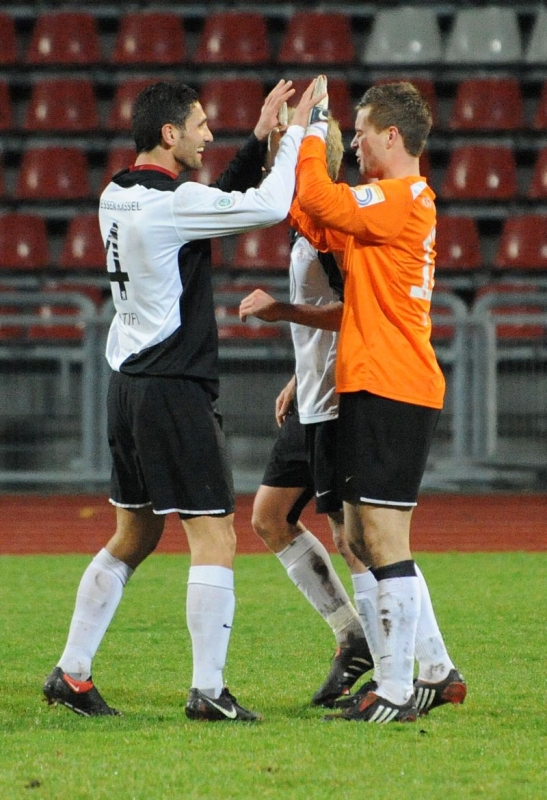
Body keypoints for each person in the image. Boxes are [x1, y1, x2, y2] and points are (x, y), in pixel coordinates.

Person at [42, 78, 320, 722]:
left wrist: (255, 140)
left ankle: (72, 672)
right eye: (199, 125)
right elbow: (268, 207)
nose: (207, 134)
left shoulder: (117, 193)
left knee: (134, 533)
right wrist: (297, 130)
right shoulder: (172, 205)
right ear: (170, 135)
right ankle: (208, 690)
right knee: (215, 536)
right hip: (174, 387)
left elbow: (207, 203)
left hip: (127, 384)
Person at [287, 78, 467, 723]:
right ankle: (421, 675)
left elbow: (319, 195)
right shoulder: (389, 210)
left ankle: (396, 690)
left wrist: (313, 127)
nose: (355, 142)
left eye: (361, 132)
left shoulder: (402, 199)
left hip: (395, 384)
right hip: (373, 381)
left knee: (384, 537)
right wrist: (286, 147)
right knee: (363, 533)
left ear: (393, 136)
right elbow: (313, 217)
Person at [239, 116, 374, 708]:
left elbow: (359, 314)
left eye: (285, 154)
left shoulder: (333, 226)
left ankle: (406, 664)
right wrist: (298, 372)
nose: (275, 165)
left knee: (356, 540)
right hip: (312, 396)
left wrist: (283, 314)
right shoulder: (304, 223)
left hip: (342, 401)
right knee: (269, 517)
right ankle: (352, 637)